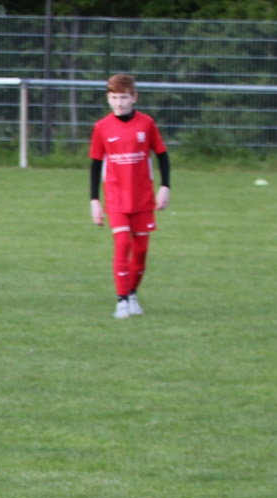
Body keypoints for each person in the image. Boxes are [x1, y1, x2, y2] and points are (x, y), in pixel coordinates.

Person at [89, 74, 170, 319]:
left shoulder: (146, 124)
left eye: (124, 97)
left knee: (141, 251)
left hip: (142, 197)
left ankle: (132, 294)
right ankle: (122, 300)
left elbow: (162, 155)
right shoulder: (102, 127)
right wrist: (94, 200)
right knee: (123, 244)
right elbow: (95, 165)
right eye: (114, 97)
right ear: (108, 98)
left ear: (134, 97)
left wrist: (165, 187)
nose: (119, 103)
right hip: (116, 197)